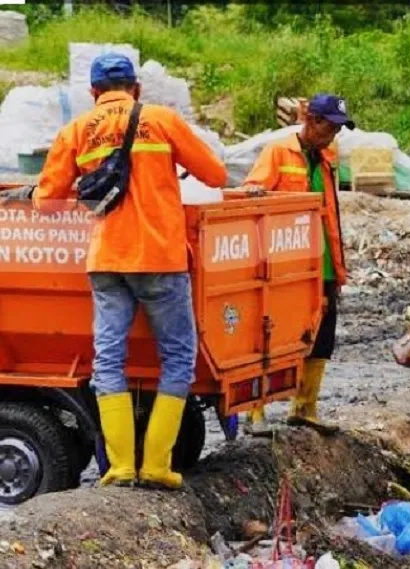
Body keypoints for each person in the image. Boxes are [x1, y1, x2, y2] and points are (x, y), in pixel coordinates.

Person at [0, 53, 228, 489]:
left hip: (107, 262)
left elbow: (48, 203)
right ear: (136, 88)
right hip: (160, 260)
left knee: (109, 360)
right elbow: (216, 175)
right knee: (178, 357)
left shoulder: (76, 131)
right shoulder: (161, 120)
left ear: (93, 93)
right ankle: (158, 465)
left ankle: (121, 467)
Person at [241, 93, 352, 435]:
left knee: (321, 336)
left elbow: (330, 211)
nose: (333, 134)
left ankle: (305, 408)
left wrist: (338, 268)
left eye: (337, 128)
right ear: (312, 121)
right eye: (330, 126)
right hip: (287, 268)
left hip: (324, 264)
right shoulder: (278, 153)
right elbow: (251, 192)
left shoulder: (328, 157)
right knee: (272, 336)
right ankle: (255, 411)